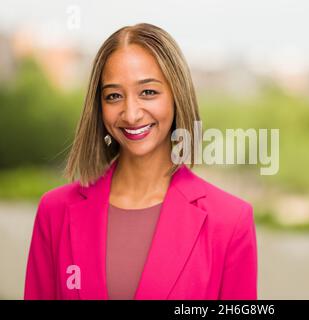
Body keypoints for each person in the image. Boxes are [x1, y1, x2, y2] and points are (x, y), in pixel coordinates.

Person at [24, 23, 257, 300]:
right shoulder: (55, 212)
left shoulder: (230, 222)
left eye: (148, 92)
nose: (131, 114)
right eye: (114, 96)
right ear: (99, 107)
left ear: (176, 95)